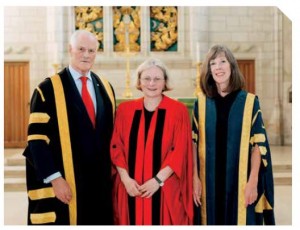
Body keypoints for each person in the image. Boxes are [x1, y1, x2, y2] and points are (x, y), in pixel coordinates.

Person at [23, 30, 116, 225]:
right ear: (70, 50)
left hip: (99, 185)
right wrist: (55, 179)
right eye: (81, 49)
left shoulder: (106, 87)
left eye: (91, 50)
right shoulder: (47, 89)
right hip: (67, 182)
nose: (86, 55)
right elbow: (36, 141)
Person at [192, 44, 275, 225]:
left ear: (232, 66)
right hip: (208, 184)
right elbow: (193, 142)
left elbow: (258, 147)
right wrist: (194, 178)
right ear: (209, 70)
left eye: (223, 61)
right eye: (213, 63)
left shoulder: (249, 102)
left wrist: (253, 182)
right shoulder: (202, 103)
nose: (218, 67)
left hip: (240, 182)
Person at [110, 58, 194, 225]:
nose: (151, 83)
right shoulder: (125, 111)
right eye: (146, 78)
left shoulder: (178, 111)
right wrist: (126, 180)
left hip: (165, 190)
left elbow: (180, 150)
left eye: (157, 79)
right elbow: (116, 146)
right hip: (130, 189)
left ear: (165, 83)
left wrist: (157, 181)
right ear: (139, 82)